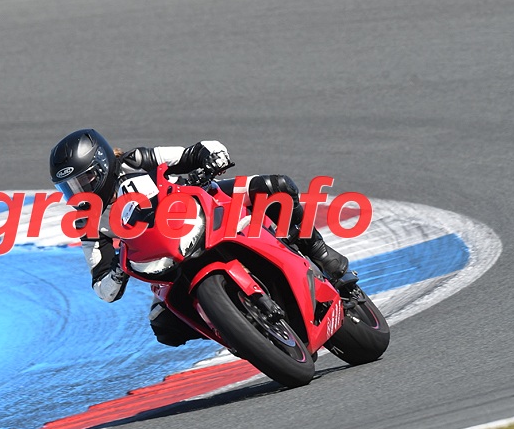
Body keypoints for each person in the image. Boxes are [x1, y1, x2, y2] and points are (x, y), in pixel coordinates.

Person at [49, 128, 350, 347]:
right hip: (166, 261)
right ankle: (236, 329)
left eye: (84, 181)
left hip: (207, 209)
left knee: (276, 187)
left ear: (103, 165)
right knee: (164, 327)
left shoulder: (137, 160)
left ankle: (320, 253)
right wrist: (117, 268)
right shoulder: (88, 222)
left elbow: (197, 151)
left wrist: (211, 160)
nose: (79, 192)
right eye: (69, 188)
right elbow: (103, 288)